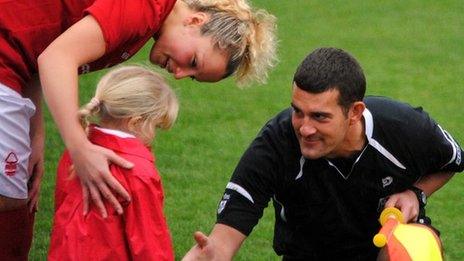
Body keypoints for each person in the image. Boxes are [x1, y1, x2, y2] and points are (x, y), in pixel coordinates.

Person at [0, 0, 276, 258]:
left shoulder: (149, 20)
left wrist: (35, 132)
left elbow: (38, 52)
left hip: (12, 67)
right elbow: (56, 57)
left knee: (15, 198)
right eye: (193, 62)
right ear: (195, 20)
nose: (179, 74)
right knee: (9, 201)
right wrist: (79, 147)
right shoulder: (145, 7)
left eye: (192, 77)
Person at [183, 47, 463, 260]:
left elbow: (452, 160)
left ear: (354, 113)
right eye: (298, 111)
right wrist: (212, 254)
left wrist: (416, 192)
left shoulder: (404, 128)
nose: (305, 129)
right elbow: (229, 229)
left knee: (412, 248)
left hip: (385, 245)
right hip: (308, 254)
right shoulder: (275, 145)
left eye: (319, 116)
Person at [48, 65, 178, 260]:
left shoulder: (76, 153)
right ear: (135, 122)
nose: (153, 136)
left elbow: (61, 212)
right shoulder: (137, 170)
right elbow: (150, 241)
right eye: (155, 127)